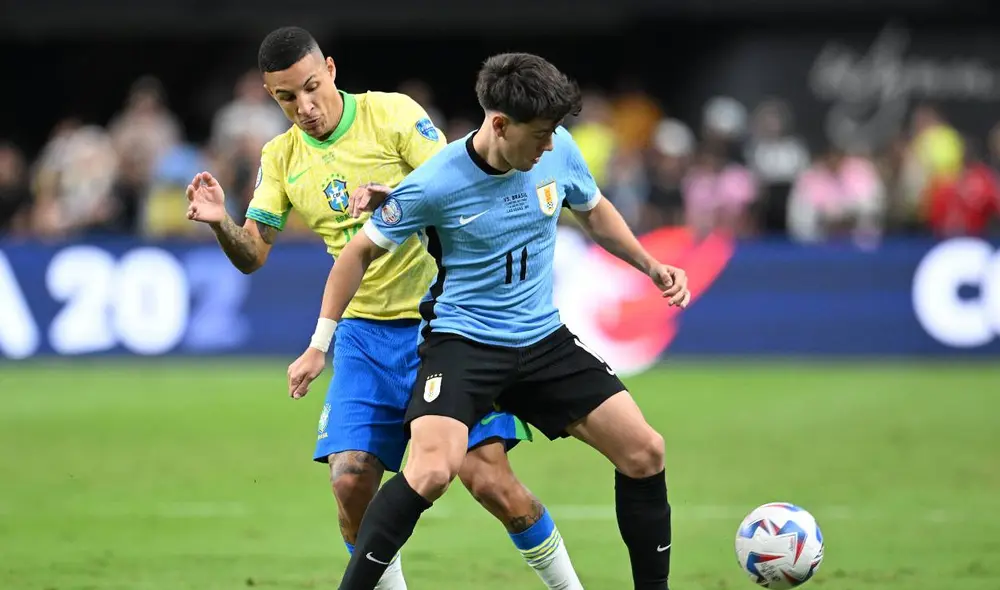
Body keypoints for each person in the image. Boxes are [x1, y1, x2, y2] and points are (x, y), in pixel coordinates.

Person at [185, 28, 584, 590]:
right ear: (271, 95)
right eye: (287, 98)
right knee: (350, 481)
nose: (305, 107)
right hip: (364, 336)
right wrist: (220, 222)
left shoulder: (393, 115)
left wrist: (394, 200)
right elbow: (252, 255)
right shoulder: (281, 158)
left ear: (330, 69)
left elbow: (466, 186)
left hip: (445, 326)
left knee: (491, 482)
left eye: (311, 87)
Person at [291, 52, 691, 590]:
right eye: (539, 135)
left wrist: (650, 265)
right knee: (431, 470)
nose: (548, 145)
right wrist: (320, 343)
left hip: (543, 340)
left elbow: (592, 209)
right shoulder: (437, 181)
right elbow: (357, 253)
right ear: (499, 125)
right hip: (464, 345)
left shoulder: (558, 149)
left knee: (645, 451)